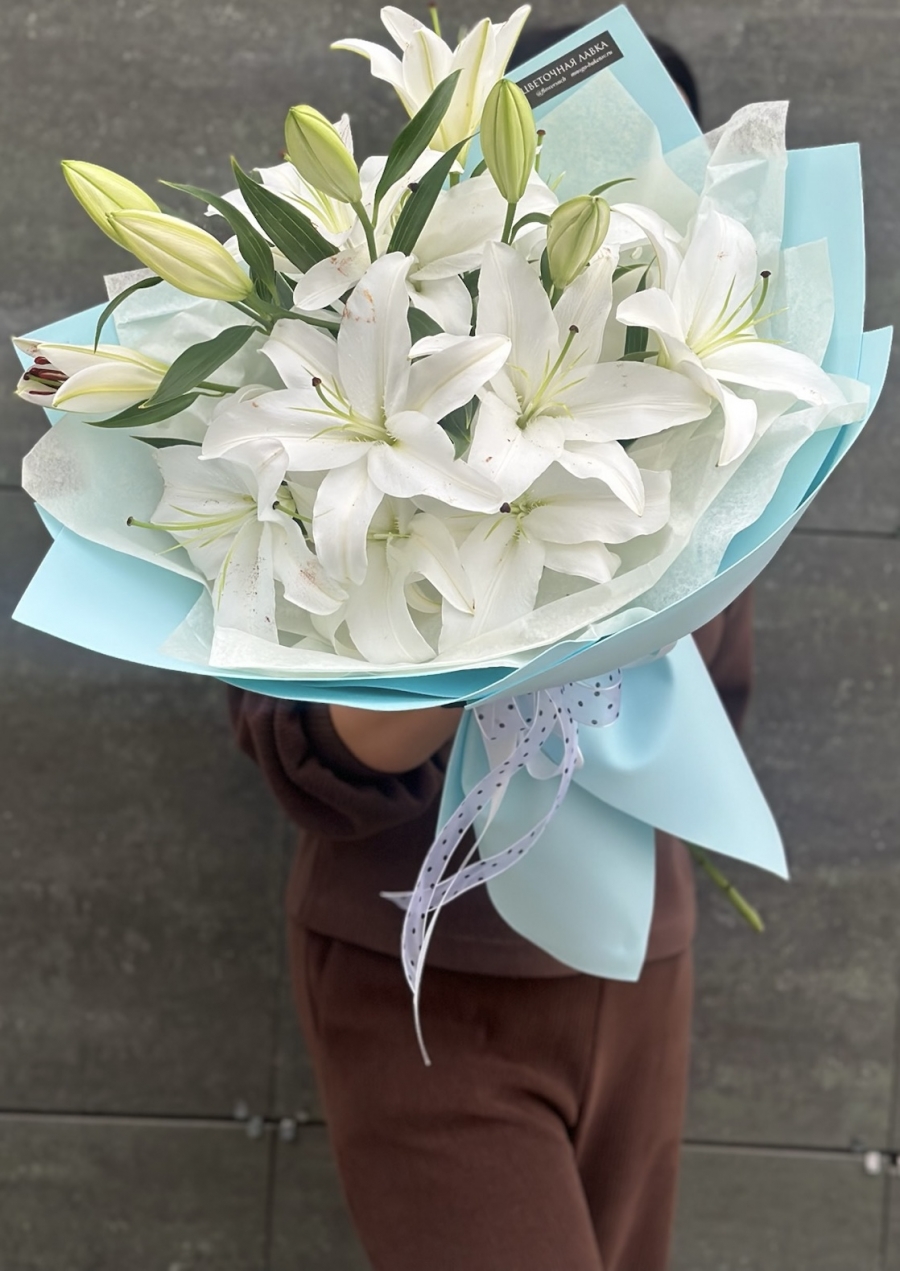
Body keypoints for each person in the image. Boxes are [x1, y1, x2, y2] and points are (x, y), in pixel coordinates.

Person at [229, 31, 753, 1271]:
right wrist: (477, 626)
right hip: (426, 979)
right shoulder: (380, 352)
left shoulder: (700, 414)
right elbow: (302, 746)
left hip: (638, 964)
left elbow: (719, 689)